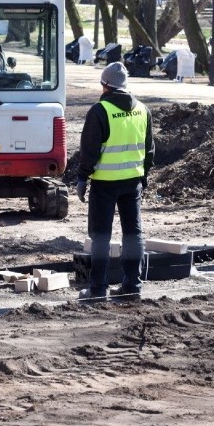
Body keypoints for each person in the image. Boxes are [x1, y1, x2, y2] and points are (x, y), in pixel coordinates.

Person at [76, 62, 155, 303]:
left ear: (105, 85)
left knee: (101, 236)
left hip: (104, 183)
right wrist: (144, 176)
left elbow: (89, 151)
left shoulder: (100, 111)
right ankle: (132, 286)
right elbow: (149, 149)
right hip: (132, 182)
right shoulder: (142, 110)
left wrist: (82, 177)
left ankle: (98, 290)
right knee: (133, 235)